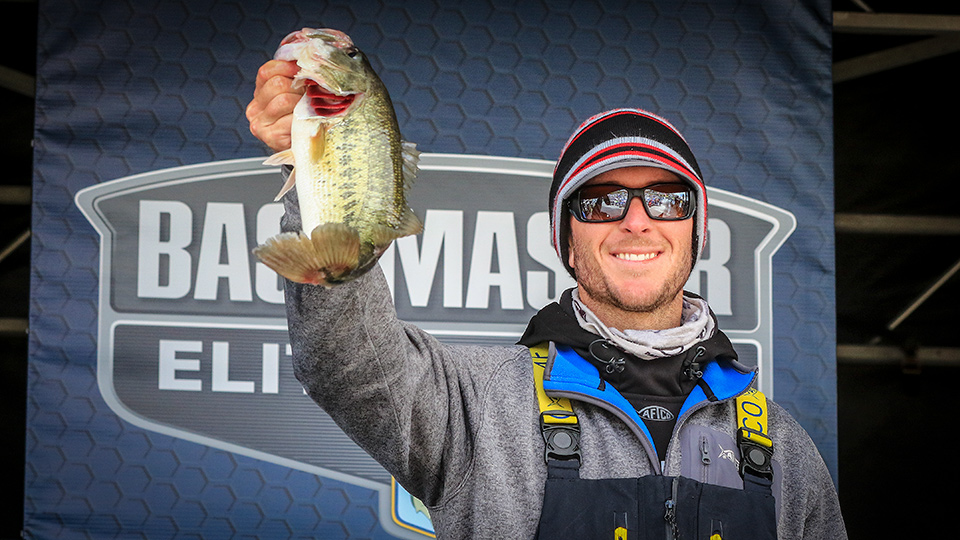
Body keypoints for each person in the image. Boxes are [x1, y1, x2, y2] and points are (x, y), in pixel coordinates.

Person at [247, 58, 847, 539]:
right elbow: (346, 362)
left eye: (668, 199)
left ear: (697, 232)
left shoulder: (783, 446)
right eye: (602, 202)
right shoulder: (476, 405)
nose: (637, 221)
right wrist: (320, 157)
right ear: (567, 240)